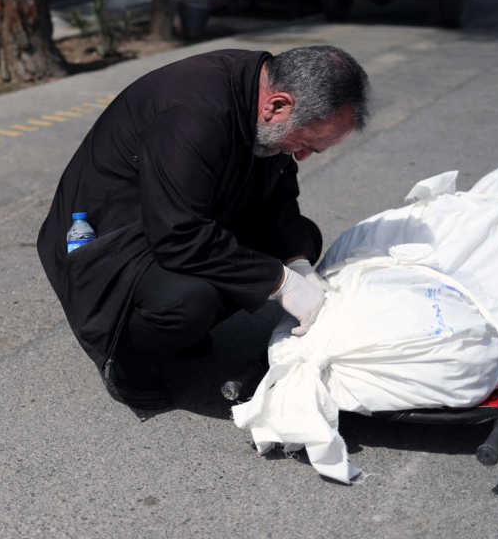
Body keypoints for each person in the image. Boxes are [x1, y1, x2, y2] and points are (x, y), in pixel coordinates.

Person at [35, 46, 370, 410]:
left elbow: (277, 199)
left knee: (300, 238)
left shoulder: (260, 96)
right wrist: (281, 282)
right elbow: (178, 236)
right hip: (109, 235)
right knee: (189, 300)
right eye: (305, 144)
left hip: (180, 217)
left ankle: (182, 330)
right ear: (277, 106)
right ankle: (129, 364)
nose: (302, 156)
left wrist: (299, 264)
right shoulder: (193, 113)